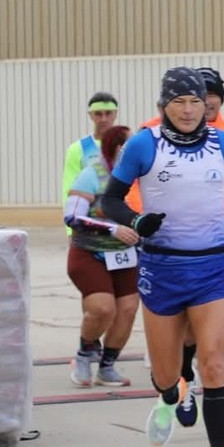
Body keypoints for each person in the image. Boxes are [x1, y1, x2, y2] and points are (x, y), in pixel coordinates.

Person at [99, 67, 224, 447]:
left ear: (206, 104)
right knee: (165, 374)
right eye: (178, 102)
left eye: (195, 101)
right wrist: (136, 221)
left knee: (213, 363)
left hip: (213, 266)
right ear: (163, 105)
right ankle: (170, 394)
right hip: (162, 269)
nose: (187, 110)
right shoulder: (144, 144)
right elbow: (110, 200)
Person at [63, 124, 139, 388]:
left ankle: (107, 366)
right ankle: (84, 354)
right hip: (89, 252)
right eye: (128, 146)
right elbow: (72, 217)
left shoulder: (140, 176)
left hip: (125, 254)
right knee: (102, 308)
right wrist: (112, 229)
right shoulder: (92, 174)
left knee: (128, 309)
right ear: (116, 148)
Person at [62, 92, 119, 201]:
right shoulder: (78, 148)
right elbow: (69, 185)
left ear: (115, 114)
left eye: (108, 113)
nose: (103, 119)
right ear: (91, 115)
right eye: (98, 114)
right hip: (89, 210)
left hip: (120, 209)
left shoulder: (127, 145)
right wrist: (69, 209)